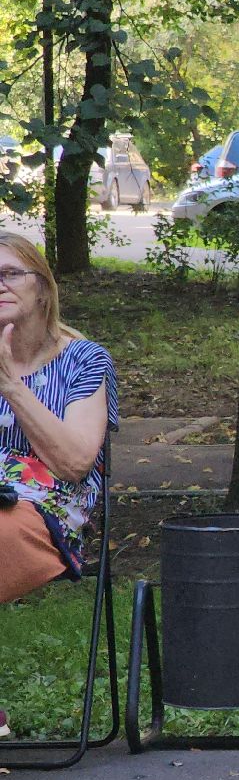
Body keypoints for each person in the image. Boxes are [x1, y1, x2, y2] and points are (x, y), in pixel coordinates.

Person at [0, 233, 118, 738]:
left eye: (9, 274)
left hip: (47, 508)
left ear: (43, 289)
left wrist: (9, 385)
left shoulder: (84, 360)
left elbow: (73, 462)